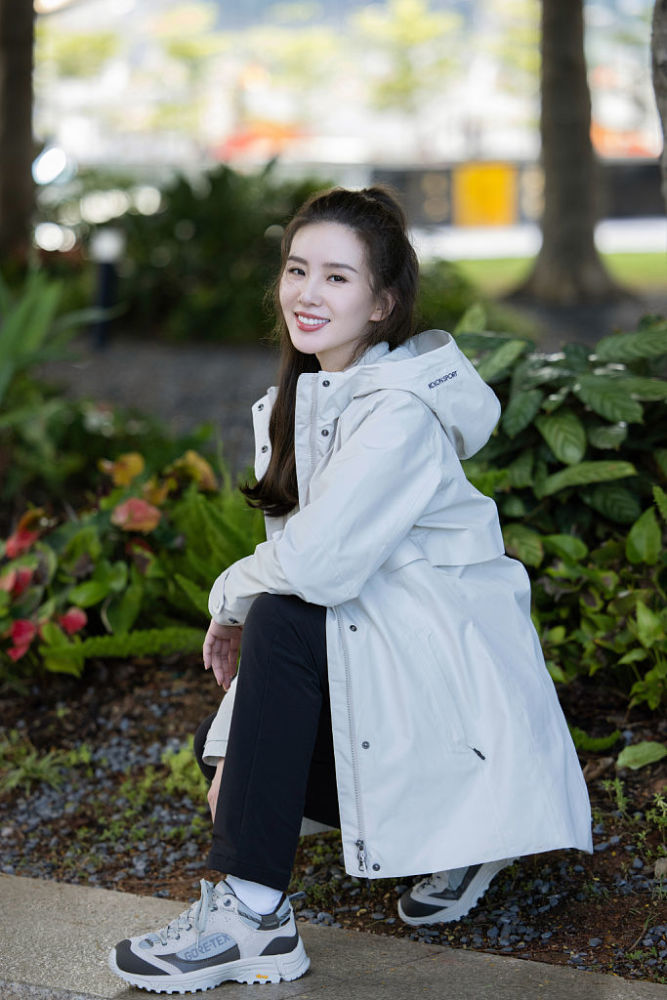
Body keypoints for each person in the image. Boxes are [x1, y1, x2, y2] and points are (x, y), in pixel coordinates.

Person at [109, 186, 592, 993]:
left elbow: (314, 571)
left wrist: (229, 601)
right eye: (297, 269)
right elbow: (319, 581)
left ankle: (253, 917)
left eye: (337, 277)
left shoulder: (398, 413)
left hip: (453, 701)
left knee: (279, 616)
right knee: (223, 751)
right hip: (395, 668)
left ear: (381, 304)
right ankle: (461, 832)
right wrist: (237, 729)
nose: (307, 292)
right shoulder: (307, 403)